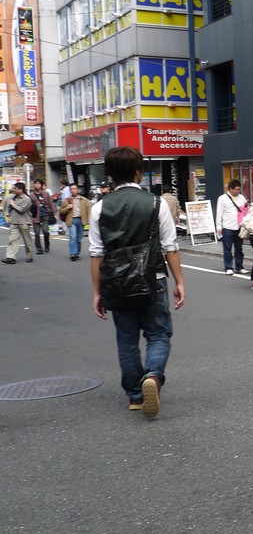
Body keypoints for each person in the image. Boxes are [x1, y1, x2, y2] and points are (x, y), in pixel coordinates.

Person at [90, 146, 185, 418]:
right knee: (158, 334)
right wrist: (179, 282)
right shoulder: (156, 204)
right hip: (153, 279)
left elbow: (96, 254)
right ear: (139, 171)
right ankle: (153, 376)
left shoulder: (99, 208)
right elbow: (170, 247)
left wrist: (97, 292)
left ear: (110, 173)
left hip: (117, 283)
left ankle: (135, 396)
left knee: (127, 340)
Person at [215, 179, 247, 275]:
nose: (238, 191)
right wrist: (218, 226)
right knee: (227, 248)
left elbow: (245, 210)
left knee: (239, 248)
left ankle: (239, 267)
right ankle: (228, 267)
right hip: (227, 226)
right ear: (230, 189)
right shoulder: (222, 198)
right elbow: (219, 213)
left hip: (239, 226)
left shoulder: (241, 197)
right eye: (236, 189)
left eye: (239, 189)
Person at [58, 183, 92, 261]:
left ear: (78, 190)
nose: (73, 190)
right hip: (71, 220)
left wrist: (89, 220)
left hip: (81, 220)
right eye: (71, 189)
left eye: (74, 189)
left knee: (79, 239)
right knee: (73, 237)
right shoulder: (66, 200)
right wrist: (67, 207)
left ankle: (77, 254)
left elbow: (89, 210)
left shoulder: (84, 200)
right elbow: (61, 211)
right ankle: (72, 254)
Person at [3, 182, 34, 264]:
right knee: (13, 240)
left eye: (15, 188)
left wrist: (13, 204)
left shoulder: (27, 199)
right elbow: (9, 207)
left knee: (27, 240)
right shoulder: (13, 197)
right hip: (14, 221)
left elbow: (22, 210)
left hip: (24, 222)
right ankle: (11, 257)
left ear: (20, 190)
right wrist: (8, 213)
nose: (13, 190)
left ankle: (29, 256)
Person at [29, 179, 57, 253]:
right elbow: (29, 206)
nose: (36, 185)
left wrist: (54, 213)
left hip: (45, 214)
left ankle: (47, 245)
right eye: (35, 183)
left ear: (41, 185)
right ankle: (39, 249)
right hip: (35, 215)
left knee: (45, 231)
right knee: (37, 233)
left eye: (38, 183)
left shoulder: (46, 194)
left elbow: (50, 203)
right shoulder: (31, 195)